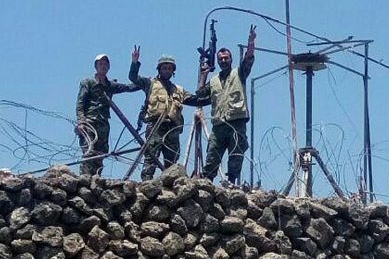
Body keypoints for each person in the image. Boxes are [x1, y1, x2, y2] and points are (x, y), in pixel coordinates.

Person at [128, 47, 204, 180]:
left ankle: (169, 187)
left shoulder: (178, 90)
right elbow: (133, 78)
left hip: (172, 129)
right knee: (151, 157)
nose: (167, 71)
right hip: (156, 126)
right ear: (159, 69)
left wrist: (213, 94)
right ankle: (147, 183)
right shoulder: (150, 83)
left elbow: (195, 100)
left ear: (173, 71)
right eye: (165, 68)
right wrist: (135, 62)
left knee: (172, 162)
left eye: (170, 68)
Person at [196, 25, 256, 185]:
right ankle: (206, 182)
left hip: (236, 121)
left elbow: (248, 60)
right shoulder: (214, 80)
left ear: (231, 59)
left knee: (236, 154)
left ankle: (231, 182)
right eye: (220, 59)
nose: (223, 61)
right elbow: (200, 94)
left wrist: (251, 43)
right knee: (212, 155)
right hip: (219, 124)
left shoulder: (239, 73)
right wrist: (204, 74)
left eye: (226, 58)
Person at [75, 54, 140, 175]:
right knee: (89, 152)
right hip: (89, 121)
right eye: (101, 64)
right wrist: (81, 121)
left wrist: (144, 80)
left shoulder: (110, 85)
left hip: (103, 123)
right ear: (96, 66)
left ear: (109, 67)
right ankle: (85, 179)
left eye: (105, 64)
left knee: (101, 154)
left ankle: (96, 179)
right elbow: (80, 103)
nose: (103, 66)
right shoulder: (88, 82)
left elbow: (129, 87)